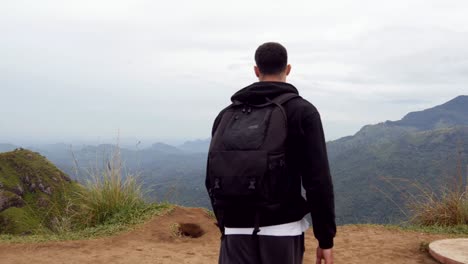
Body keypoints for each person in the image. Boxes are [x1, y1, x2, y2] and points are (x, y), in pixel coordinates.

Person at [206, 42, 336, 264]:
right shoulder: (302, 111)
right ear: (288, 69)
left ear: (256, 70)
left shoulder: (227, 114)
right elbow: (317, 181)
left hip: (234, 229)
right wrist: (325, 239)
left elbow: (211, 177)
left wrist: (226, 223)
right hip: (283, 229)